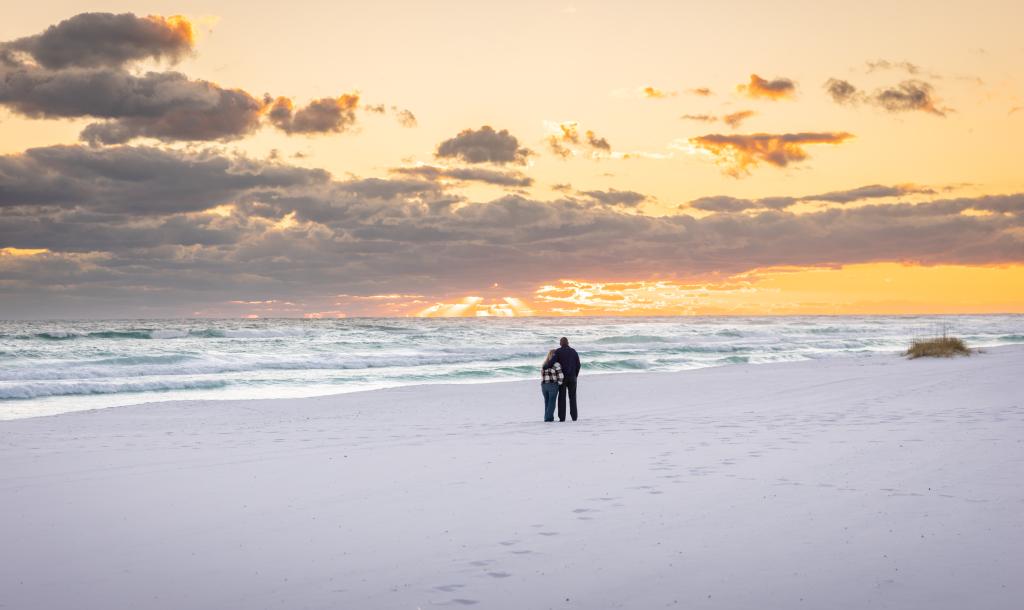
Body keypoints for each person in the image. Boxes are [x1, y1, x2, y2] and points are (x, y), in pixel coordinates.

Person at [551, 337, 581, 421]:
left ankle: (562, 418)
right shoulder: (573, 351)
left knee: (562, 397)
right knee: (573, 397)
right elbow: (578, 364)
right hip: (572, 378)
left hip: (562, 378)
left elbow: (553, 362)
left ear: (560, 343)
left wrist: (546, 366)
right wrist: (575, 375)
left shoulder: (558, 351)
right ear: (568, 342)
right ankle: (574, 417)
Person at [540, 349, 562, 422]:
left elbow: (542, 375)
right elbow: (561, 376)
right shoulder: (556, 364)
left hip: (543, 385)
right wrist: (559, 383)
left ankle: (548, 417)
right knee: (552, 402)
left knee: (547, 401)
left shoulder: (544, 364)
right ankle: (548, 418)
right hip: (552, 385)